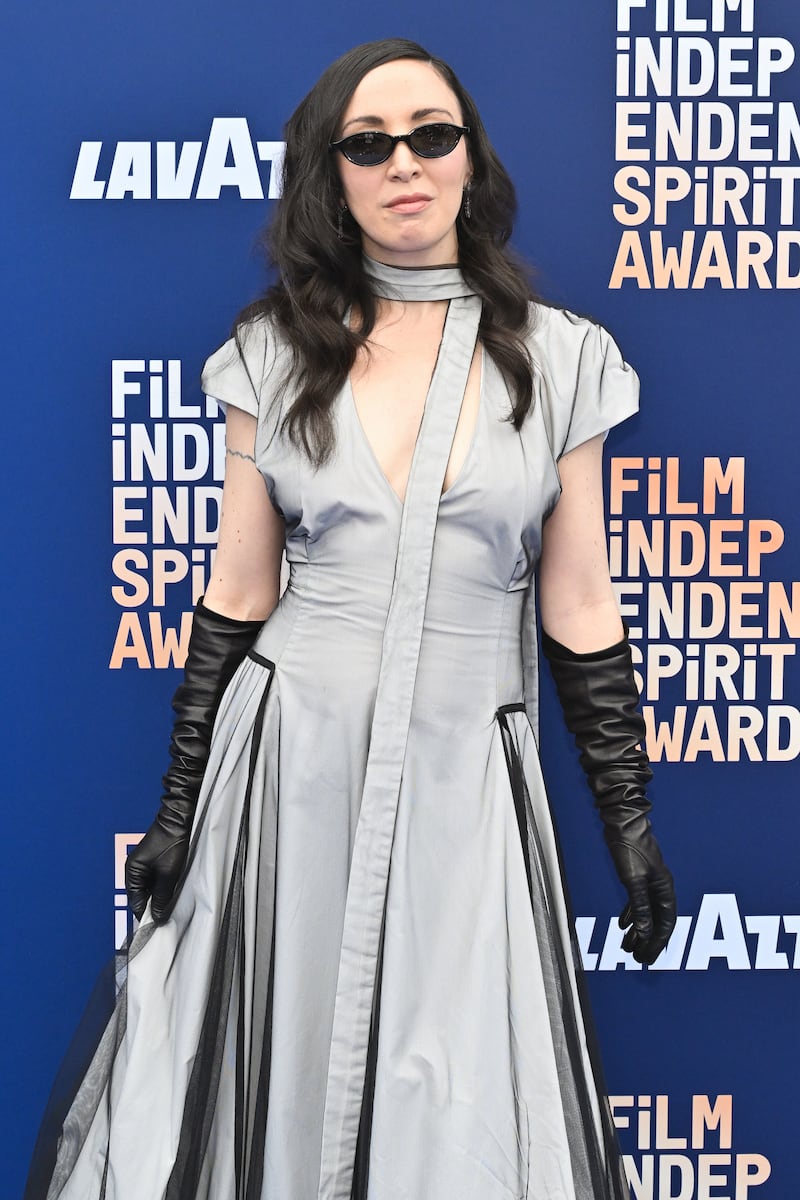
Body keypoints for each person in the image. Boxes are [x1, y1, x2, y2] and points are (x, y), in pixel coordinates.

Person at [31, 37, 675, 1200]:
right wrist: (179, 809)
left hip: (465, 791)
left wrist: (626, 821)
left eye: (431, 135)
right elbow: (237, 593)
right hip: (289, 782)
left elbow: (579, 603)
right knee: (279, 1091)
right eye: (367, 144)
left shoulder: (565, 363)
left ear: (470, 160)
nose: (404, 165)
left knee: (458, 1105)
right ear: (331, 178)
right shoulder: (271, 356)